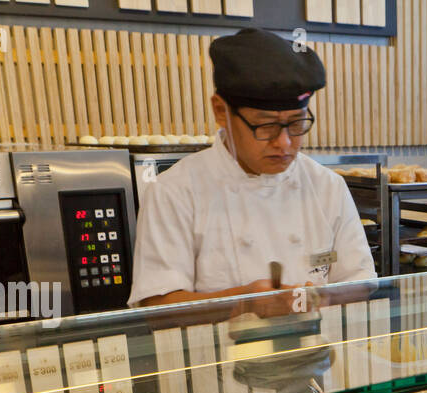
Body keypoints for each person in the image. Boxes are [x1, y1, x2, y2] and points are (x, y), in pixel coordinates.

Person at [128, 28, 377, 310]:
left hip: (315, 351)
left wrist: (323, 296)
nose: (284, 143)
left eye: (296, 124)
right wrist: (244, 303)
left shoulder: (326, 186)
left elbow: (362, 280)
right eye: (266, 126)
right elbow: (158, 308)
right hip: (220, 354)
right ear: (221, 111)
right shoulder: (174, 191)